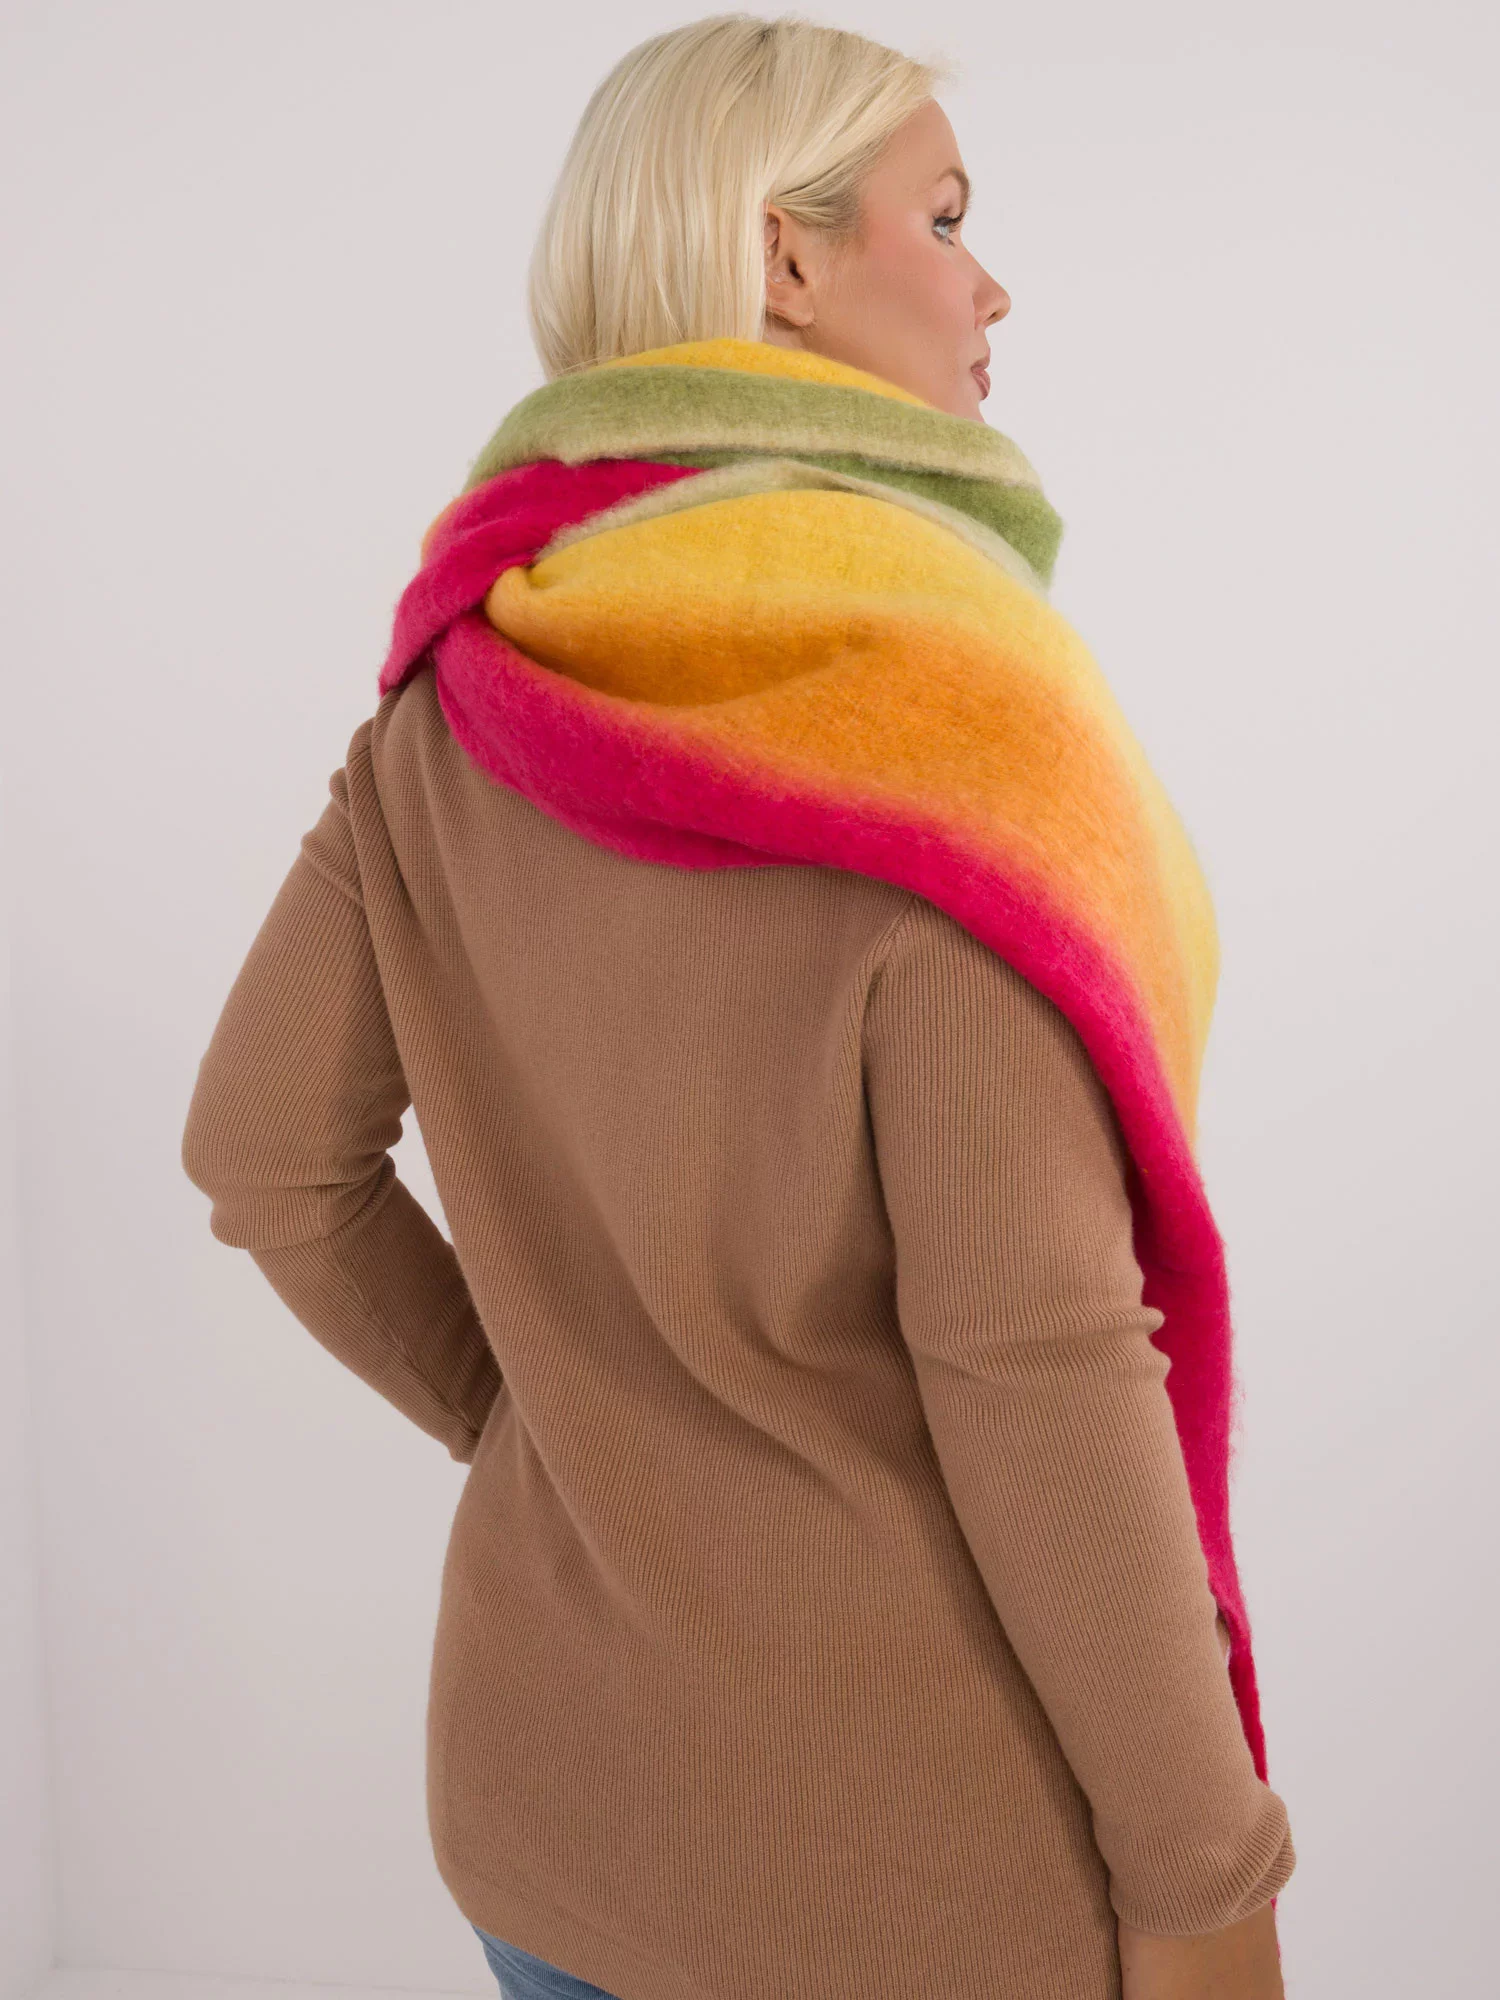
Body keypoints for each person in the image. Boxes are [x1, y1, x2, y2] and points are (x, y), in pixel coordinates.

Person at [181, 14, 1296, 2000]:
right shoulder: (946, 732)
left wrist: (552, 1428)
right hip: (909, 1893)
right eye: (942, 219)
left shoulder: (454, 701)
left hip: (544, 1824)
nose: (991, 284)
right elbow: (1037, 1366)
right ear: (785, 262)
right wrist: (1208, 1886)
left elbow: (263, 1161)